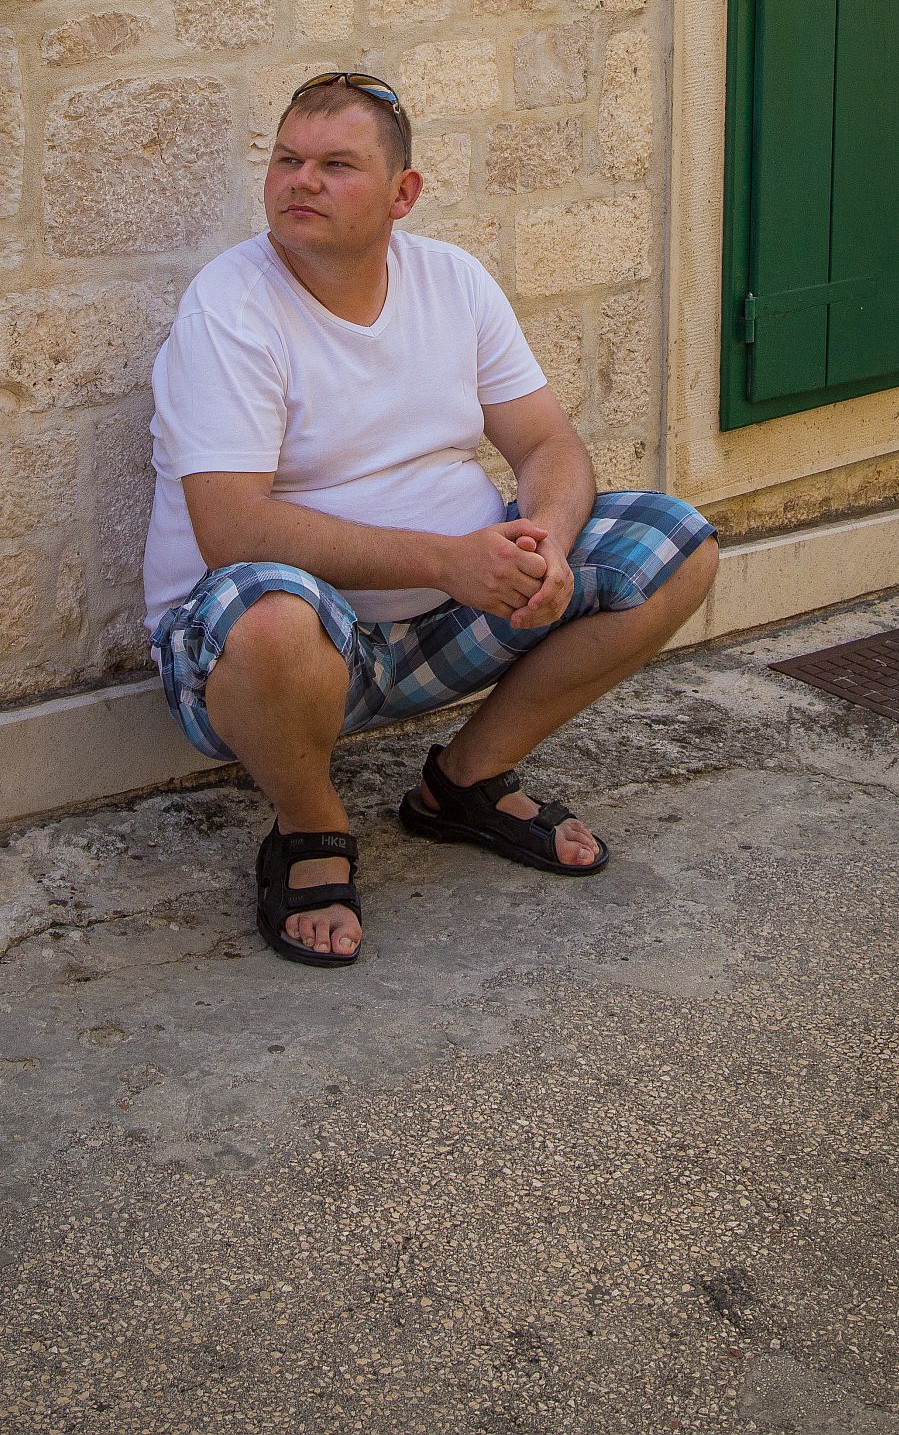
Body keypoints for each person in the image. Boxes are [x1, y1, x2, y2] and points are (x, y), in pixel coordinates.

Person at [144, 71, 718, 970]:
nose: (300, 181)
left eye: (336, 165)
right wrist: (449, 561)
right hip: (276, 663)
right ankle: (310, 826)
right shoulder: (230, 307)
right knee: (268, 616)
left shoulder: (454, 281)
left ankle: (464, 784)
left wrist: (547, 541)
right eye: (287, 160)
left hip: (449, 623)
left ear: (402, 193)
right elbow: (232, 529)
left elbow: (548, 445)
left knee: (677, 546)